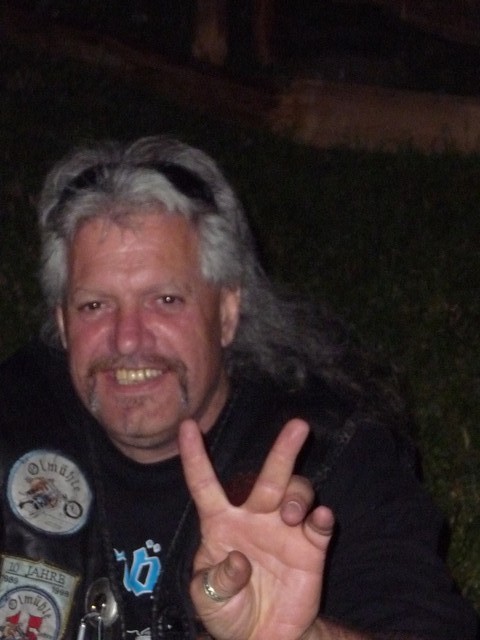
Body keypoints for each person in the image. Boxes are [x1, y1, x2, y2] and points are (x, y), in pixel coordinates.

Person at [0, 136, 477, 640]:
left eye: (165, 300)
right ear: (62, 322)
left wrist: (301, 636)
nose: (128, 339)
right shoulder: (12, 425)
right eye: (95, 305)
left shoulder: (331, 455)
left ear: (227, 313)